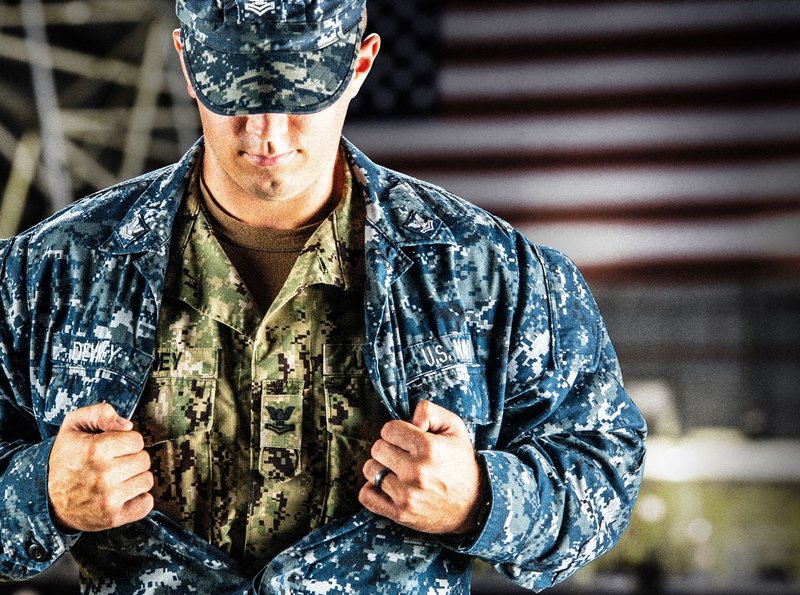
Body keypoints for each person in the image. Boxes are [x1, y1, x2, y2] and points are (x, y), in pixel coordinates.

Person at [0, 0, 646, 593]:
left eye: (301, 90)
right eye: (234, 88)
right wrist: (42, 493)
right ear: (189, 64)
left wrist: (481, 497)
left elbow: (603, 474)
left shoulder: (488, 271)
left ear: (359, 65)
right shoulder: (51, 272)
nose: (267, 131)